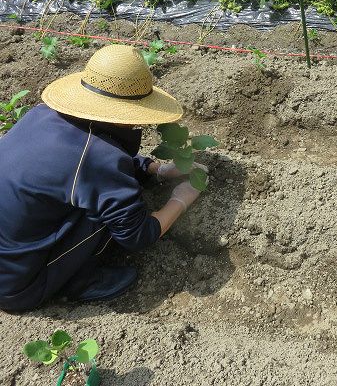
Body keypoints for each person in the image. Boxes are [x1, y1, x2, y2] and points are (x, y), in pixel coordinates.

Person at [0, 44, 206, 311]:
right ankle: (81, 282)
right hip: (18, 287)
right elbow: (138, 235)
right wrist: (180, 199)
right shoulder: (98, 157)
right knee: (105, 213)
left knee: (94, 193)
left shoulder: (42, 115)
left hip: (10, 251)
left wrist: (155, 169)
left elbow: (86, 161)